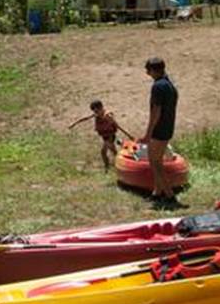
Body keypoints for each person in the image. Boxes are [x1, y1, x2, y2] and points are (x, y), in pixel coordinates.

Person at [142, 56, 183, 208]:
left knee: (155, 163)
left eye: (148, 70)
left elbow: (156, 112)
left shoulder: (158, 86)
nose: (147, 73)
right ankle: (156, 193)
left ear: (153, 70)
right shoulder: (169, 84)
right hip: (168, 127)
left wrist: (148, 133)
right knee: (156, 161)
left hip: (159, 130)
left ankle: (170, 197)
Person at [68, 100, 135, 171]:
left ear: (101, 108)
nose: (95, 112)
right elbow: (85, 118)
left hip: (110, 136)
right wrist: (74, 124)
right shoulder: (96, 115)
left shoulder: (107, 115)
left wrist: (129, 135)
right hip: (104, 136)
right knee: (112, 152)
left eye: (97, 110)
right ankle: (116, 166)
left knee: (104, 151)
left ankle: (113, 167)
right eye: (94, 111)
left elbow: (117, 126)